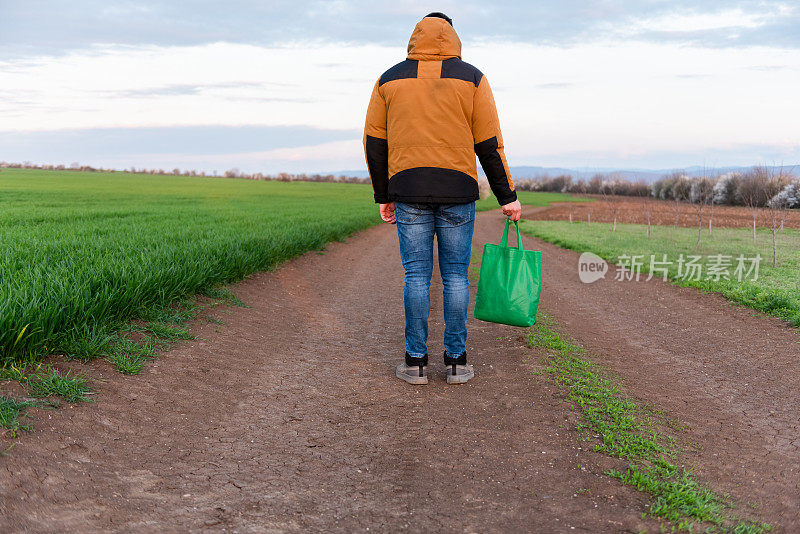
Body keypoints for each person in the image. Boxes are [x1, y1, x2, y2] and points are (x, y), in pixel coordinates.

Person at [363, 12, 521, 385]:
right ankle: (456, 361)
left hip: (408, 189)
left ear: (415, 36)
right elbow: (489, 143)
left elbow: (374, 143)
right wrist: (507, 196)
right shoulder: (473, 78)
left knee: (416, 276)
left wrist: (382, 195)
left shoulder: (388, 79)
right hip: (457, 191)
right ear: (452, 35)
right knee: (455, 276)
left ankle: (415, 362)